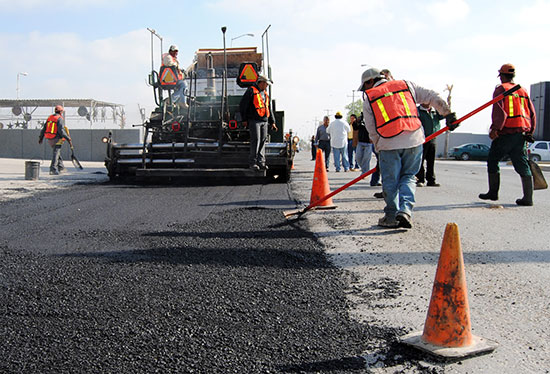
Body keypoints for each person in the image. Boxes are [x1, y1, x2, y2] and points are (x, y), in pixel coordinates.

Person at [358, 67, 457, 228]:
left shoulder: (370, 98)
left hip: (388, 142)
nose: (366, 90)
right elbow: (431, 96)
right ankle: (405, 210)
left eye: (365, 86)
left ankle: (391, 216)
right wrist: (447, 113)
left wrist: (378, 146)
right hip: (414, 139)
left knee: (390, 181)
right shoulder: (406, 85)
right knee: (409, 176)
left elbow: (371, 127)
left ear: (370, 81)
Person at [479, 63, 537, 206]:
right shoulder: (522, 90)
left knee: (493, 159)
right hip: (521, 134)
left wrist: (495, 129)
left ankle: (493, 192)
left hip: (506, 133)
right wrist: (530, 131)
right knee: (522, 164)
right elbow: (532, 112)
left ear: (501, 76)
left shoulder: (501, 89)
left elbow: (500, 112)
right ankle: (528, 198)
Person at [239, 75, 277, 171]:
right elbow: (243, 105)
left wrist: (272, 122)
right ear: (261, 83)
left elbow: (268, 108)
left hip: (264, 121)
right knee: (256, 140)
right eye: (266, 84)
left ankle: (261, 162)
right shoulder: (251, 91)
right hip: (254, 120)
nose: (267, 86)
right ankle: (253, 163)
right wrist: (244, 119)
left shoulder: (265, 94)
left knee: (263, 140)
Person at [415, 103, 444, 187]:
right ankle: (420, 179)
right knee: (420, 160)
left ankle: (431, 180)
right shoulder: (417, 111)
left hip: (433, 138)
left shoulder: (435, 111)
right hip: (421, 139)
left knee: (431, 160)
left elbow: (443, 115)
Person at [38, 105, 72, 175]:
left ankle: (61, 167)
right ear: (61, 112)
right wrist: (68, 138)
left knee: (56, 152)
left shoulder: (50, 118)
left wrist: (41, 138)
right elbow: (61, 130)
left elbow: (44, 129)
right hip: (57, 139)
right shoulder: (59, 118)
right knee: (56, 153)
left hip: (49, 138)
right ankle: (53, 169)